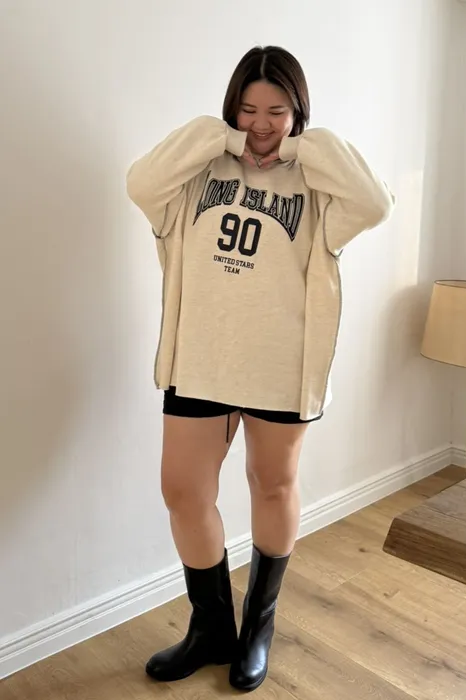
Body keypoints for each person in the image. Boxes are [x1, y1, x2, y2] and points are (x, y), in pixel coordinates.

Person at [126, 45, 394, 692]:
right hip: (200, 359)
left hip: (281, 365)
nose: (260, 124)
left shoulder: (318, 185)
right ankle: (211, 628)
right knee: (183, 492)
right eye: (247, 109)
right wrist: (220, 137)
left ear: (297, 112)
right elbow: (139, 182)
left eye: (277, 110)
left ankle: (258, 627)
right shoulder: (197, 174)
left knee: (271, 486)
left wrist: (302, 147)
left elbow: (376, 202)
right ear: (231, 110)